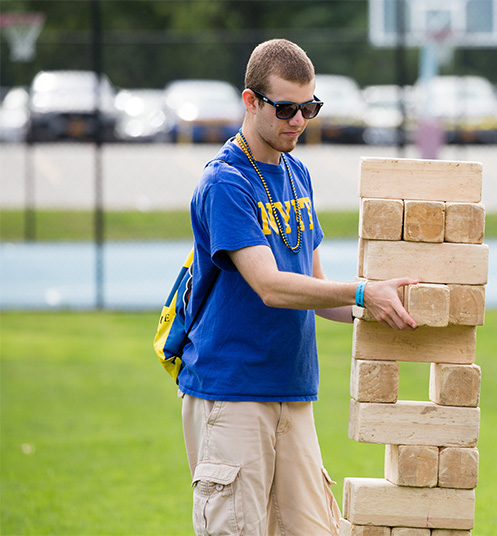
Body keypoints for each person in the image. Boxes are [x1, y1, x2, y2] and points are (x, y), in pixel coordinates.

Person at [178, 38, 418, 536]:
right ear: (250, 101)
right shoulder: (226, 182)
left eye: (309, 107)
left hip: (292, 390)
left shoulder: (296, 172)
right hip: (234, 393)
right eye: (285, 108)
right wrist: (360, 292)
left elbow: (316, 289)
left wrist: (381, 302)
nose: (298, 120)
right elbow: (270, 286)